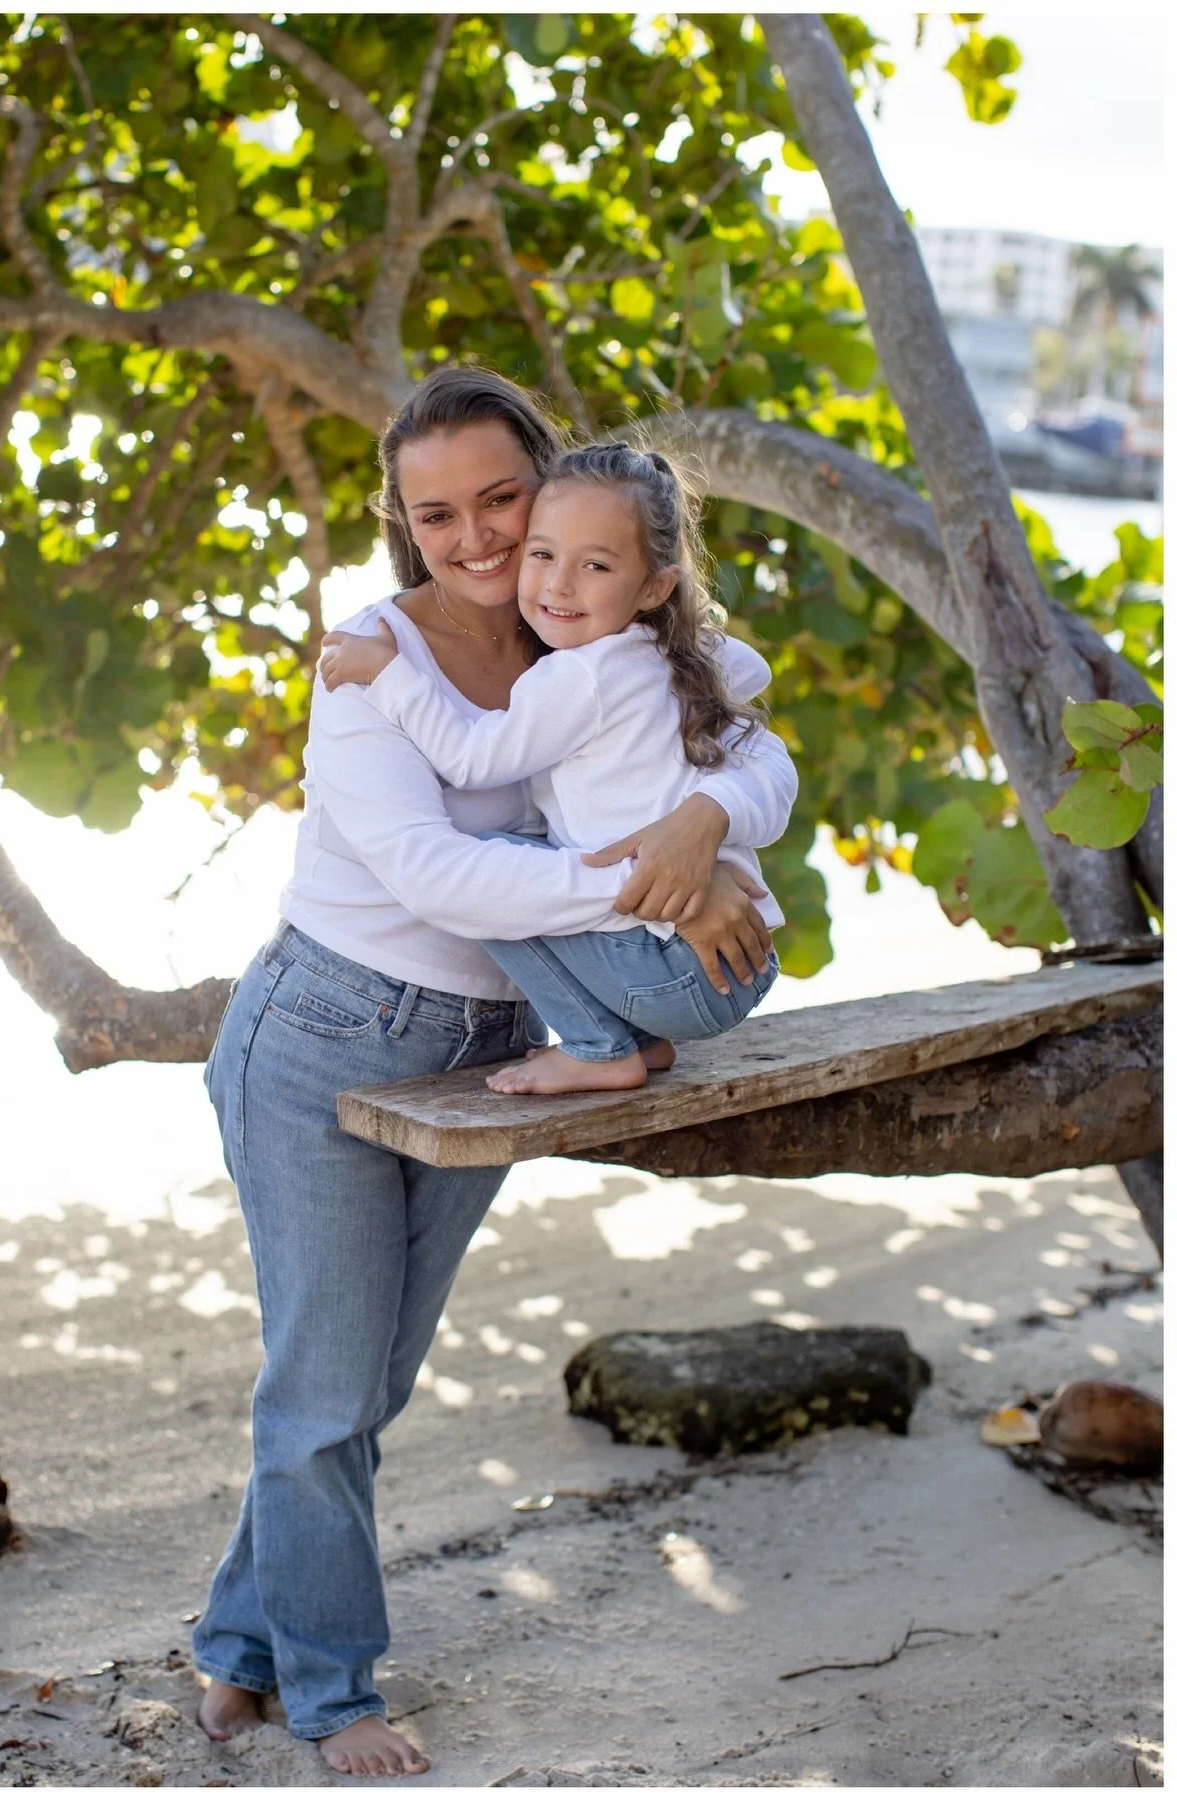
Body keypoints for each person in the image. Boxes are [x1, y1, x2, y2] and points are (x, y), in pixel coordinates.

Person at [191, 367, 779, 1779]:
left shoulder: (594, 617)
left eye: (500, 499)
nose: (473, 540)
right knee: (326, 1396)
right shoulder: (368, 665)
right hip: (323, 1042)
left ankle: (237, 1645)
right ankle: (333, 1697)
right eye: (434, 513)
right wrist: (652, 886)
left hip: (495, 1049)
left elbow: (759, 744)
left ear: (554, 485)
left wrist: (701, 821)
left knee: (357, 1386)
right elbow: (438, 874)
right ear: (402, 525)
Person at [319, 440, 794, 1095]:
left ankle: (601, 1049)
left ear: (655, 586)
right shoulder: (673, 653)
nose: (559, 585)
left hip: (673, 966)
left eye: (595, 565)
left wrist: (390, 675)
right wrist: (691, 858)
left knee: (492, 872)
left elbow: (470, 757)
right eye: (544, 555)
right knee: (525, 859)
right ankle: (639, 1042)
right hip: (743, 955)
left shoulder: (579, 674)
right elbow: (756, 704)